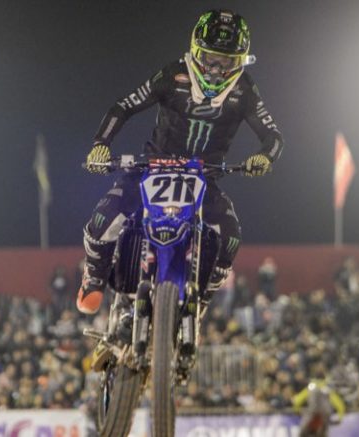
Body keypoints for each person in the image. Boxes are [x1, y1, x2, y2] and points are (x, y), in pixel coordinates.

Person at [76, 9, 284, 314]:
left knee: (231, 238)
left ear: (241, 61)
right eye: (211, 58)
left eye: (227, 61)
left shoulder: (245, 90)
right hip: (151, 168)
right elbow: (124, 106)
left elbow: (273, 136)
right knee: (101, 221)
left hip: (204, 178)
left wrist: (264, 157)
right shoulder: (173, 74)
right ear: (196, 52)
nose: (217, 69)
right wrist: (100, 145)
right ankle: (93, 277)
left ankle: (203, 299)